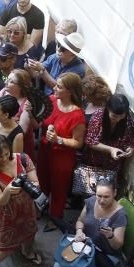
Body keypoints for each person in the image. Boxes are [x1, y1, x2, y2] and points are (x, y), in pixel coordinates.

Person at [47, 177, 127, 267]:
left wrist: (110, 235)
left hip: (104, 255)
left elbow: (117, 245)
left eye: (106, 197)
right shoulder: (91, 202)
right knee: (62, 263)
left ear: (115, 193)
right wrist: (79, 231)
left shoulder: (120, 215)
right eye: (99, 196)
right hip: (86, 245)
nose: (101, 200)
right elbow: (80, 221)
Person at [0, 134, 40, 267]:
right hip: (6, 213)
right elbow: (1, 200)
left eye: (7, 154)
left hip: (26, 208)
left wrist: (32, 186)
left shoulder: (23, 158)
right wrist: (8, 190)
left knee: (30, 231)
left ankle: (27, 252)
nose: (5, 158)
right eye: (0, 156)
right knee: (5, 246)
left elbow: (35, 182)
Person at [36, 72, 86, 224]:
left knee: (59, 188)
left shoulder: (77, 115)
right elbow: (38, 123)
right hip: (45, 151)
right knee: (41, 181)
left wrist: (59, 140)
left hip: (62, 157)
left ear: (69, 91)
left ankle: (55, 218)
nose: (54, 88)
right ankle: (40, 207)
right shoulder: (50, 100)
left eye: (59, 86)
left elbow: (78, 143)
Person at [81, 93, 134, 188]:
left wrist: (130, 150)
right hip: (92, 163)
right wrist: (111, 149)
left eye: (121, 116)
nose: (118, 119)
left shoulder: (129, 123)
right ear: (108, 109)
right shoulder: (98, 116)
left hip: (112, 167)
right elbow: (90, 141)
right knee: (87, 190)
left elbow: (131, 143)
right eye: (114, 116)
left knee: (105, 193)